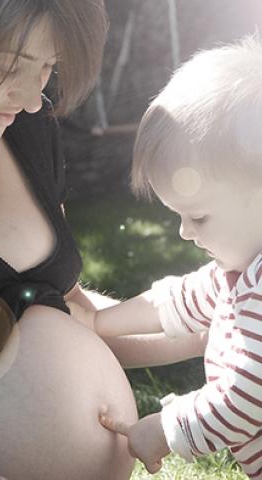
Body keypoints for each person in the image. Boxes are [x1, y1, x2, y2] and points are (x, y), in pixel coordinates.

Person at [0, 1, 207, 479]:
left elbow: (74, 311)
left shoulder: (27, 125)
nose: (34, 98)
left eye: (49, 66)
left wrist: (222, 325)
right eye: (9, 66)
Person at [68, 37, 262, 478]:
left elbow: (248, 395)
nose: (184, 232)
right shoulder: (236, 272)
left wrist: (167, 427)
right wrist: (98, 322)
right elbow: (174, 300)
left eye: (198, 215)